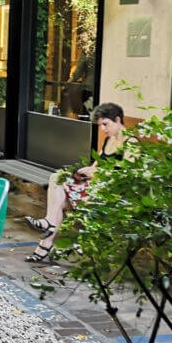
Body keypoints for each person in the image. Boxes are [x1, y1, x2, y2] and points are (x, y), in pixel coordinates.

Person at [24, 102, 133, 262]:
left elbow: (128, 176)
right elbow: (95, 166)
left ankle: (45, 243)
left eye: (105, 124)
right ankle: (47, 231)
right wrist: (85, 172)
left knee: (59, 201)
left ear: (118, 120)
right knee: (57, 178)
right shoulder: (108, 141)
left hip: (111, 195)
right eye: (100, 125)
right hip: (94, 187)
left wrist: (96, 172)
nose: (103, 129)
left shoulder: (131, 143)